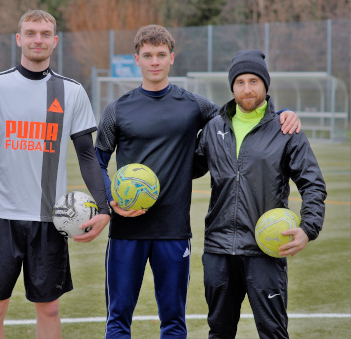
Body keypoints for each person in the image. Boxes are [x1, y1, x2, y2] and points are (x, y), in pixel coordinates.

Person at [95, 25, 301, 338]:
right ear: (136, 58)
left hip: (174, 231)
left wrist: (281, 113)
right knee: (118, 320)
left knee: (174, 322)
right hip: (126, 230)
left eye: (161, 55)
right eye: (147, 55)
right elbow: (96, 161)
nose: (154, 61)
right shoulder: (116, 110)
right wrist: (111, 201)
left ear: (171, 58)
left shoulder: (193, 105)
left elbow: (242, 113)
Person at [0, 9, 110, 339]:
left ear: (55, 41)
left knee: (49, 307)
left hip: (50, 218)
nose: (38, 39)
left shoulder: (72, 91)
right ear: (19, 39)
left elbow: (87, 155)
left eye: (45, 34)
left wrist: (104, 209)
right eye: (31, 33)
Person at [193, 49, 327, 338]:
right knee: (218, 332)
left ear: (265, 86)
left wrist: (308, 228)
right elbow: (187, 169)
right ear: (232, 87)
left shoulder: (285, 128)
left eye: (254, 81)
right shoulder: (215, 127)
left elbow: (312, 182)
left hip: (265, 250)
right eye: (240, 82)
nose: (247, 88)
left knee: (273, 332)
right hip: (218, 250)